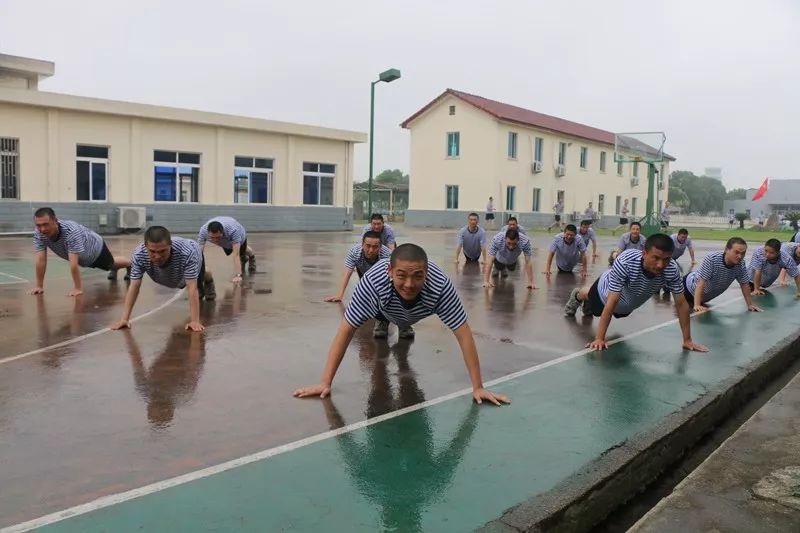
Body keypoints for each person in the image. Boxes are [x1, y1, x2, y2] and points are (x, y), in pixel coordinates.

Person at [292, 244, 511, 405]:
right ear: (389, 272)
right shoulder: (372, 284)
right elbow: (346, 330)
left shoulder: (440, 286)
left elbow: (463, 334)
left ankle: (405, 323)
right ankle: (386, 321)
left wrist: (478, 386)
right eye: (401, 275)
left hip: (417, 311)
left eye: (417, 276)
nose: (409, 283)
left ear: (426, 273)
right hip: (384, 309)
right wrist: (325, 382)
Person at [563, 234, 708, 352]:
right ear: (644, 253)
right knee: (596, 310)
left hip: (627, 303)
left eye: (666, 259)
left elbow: (681, 304)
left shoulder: (671, 270)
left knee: (620, 313)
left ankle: (588, 300)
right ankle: (579, 294)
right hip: (605, 291)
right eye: (656, 258)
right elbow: (612, 300)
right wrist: (600, 338)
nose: (660, 265)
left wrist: (687, 340)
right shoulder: (626, 261)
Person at [111, 226, 216, 332]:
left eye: (162, 251)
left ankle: (208, 277)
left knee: (199, 287)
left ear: (170, 245)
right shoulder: (139, 254)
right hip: (171, 274)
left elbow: (192, 288)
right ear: (145, 246)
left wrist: (194, 321)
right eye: (152, 251)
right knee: (184, 282)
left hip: (192, 256)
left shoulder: (188, 252)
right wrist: (124, 319)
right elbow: (134, 286)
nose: (157, 256)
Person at [27, 207, 131, 297]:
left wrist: (78, 288)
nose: (42, 229)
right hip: (83, 258)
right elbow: (41, 260)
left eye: (46, 224)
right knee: (109, 265)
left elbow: (73, 264)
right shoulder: (39, 234)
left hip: (95, 249)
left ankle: (130, 264)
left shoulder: (70, 232)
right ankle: (114, 269)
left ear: (55, 220)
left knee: (110, 264)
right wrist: (39, 286)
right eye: (39, 225)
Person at [683, 237, 761, 314]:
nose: (740, 256)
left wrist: (750, 305)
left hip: (703, 298)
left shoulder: (740, 264)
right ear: (726, 249)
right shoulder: (712, 259)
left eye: (743, 253)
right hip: (687, 288)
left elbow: (744, 284)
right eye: (736, 252)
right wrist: (697, 305)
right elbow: (701, 282)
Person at [326, 231, 391, 302]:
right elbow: (347, 273)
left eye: (375, 247)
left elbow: (390, 277)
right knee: (364, 293)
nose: (371, 250)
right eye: (368, 246)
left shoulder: (387, 255)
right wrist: (340, 295)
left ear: (380, 246)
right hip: (362, 271)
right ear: (362, 244)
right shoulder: (354, 252)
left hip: (380, 274)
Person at [197, 216, 256, 284]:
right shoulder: (203, 231)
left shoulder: (233, 231)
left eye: (218, 237)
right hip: (225, 242)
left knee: (240, 252)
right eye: (212, 237)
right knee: (231, 250)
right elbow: (199, 252)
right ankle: (243, 257)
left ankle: (251, 256)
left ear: (223, 232)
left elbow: (235, 254)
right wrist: (197, 271)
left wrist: (238, 275)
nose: (215, 240)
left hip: (240, 237)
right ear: (208, 232)